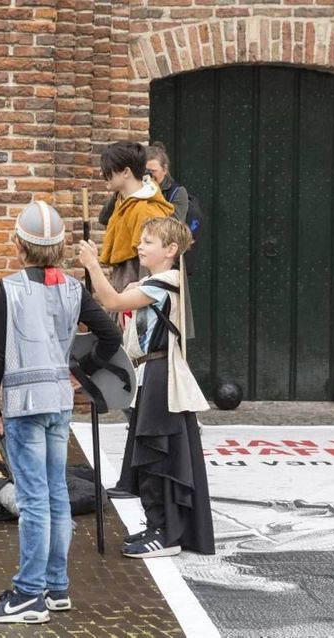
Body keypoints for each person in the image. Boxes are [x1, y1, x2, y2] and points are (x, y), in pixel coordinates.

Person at [0, 201, 121, 624]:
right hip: (59, 403)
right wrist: (82, 374)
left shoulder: (10, 287)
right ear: (59, 248)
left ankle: (28, 594)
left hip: (23, 406)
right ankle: (57, 588)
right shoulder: (75, 288)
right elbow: (110, 336)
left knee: (34, 500)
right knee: (56, 495)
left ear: (19, 246)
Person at [77, 217, 214, 559]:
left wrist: (93, 265)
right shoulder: (156, 282)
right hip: (150, 372)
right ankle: (159, 526)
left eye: (148, 241)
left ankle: (165, 534)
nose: (140, 245)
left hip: (159, 373)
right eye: (141, 240)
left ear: (170, 250)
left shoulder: (164, 283)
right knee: (155, 454)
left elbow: (111, 302)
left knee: (158, 454)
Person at [97, 141, 174, 306]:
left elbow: (152, 270)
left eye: (108, 169)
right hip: (123, 293)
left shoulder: (147, 211)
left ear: (126, 172)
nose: (103, 174)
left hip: (137, 302)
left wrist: (134, 311)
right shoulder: (122, 204)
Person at [145, 141, 189, 222]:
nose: (149, 175)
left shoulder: (178, 193)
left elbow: (173, 227)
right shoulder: (134, 189)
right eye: (145, 171)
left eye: (153, 171)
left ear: (164, 169)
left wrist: (155, 194)